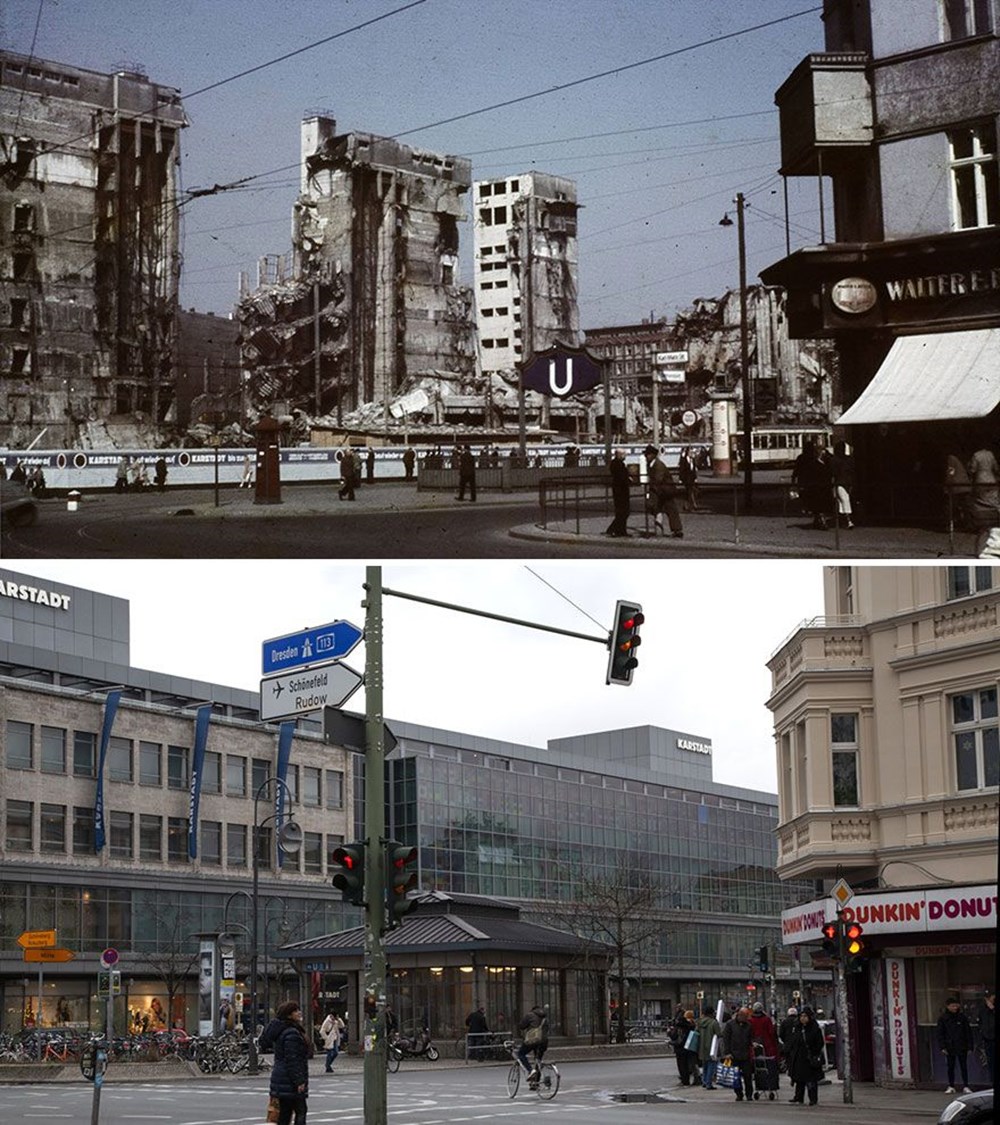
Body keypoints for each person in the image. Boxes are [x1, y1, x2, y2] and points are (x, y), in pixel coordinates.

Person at [260, 1000, 312, 1125]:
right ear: (289, 1015)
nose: (299, 1013)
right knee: (300, 1110)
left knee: (285, 1113)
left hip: (282, 1078)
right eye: (295, 1011)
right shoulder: (291, 1033)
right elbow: (293, 1059)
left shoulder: (282, 1031)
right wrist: (299, 1080)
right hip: (289, 1080)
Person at [642, 444, 683, 538]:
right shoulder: (651, 464)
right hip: (661, 491)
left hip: (666, 491)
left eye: (647, 455)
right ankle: (663, 524)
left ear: (652, 455)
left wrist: (651, 487)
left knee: (671, 509)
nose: (646, 457)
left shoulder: (658, 465)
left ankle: (677, 530)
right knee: (657, 507)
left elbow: (658, 479)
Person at [787, 1006, 825, 1106]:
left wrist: (814, 1052)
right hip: (799, 1057)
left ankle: (813, 1099)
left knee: (811, 1080)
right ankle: (798, 1097)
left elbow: (819, 1042)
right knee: (799, 1079)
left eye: (805, 1016)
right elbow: (793, 1041)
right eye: (801, 1016)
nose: (803, 1018)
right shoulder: (797, 1027)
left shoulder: (814, 1028)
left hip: (810, 1057)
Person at [967, 445, 1000, 556]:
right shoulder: (990, 454)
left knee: (981, 502)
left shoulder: (976, 455)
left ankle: (985, 523)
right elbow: (995, 468)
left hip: (980, 479)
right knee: (993, 501)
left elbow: (972, 469)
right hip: (991, 479)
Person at [936, 996, 973, 1093]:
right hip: (949, 1046)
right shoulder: (943, 1018)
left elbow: (968, 1032)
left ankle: (966, 1085)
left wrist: (970, 1046)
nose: (955, 1008)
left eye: (956, 1006)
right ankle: (951, 1085)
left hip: (962, 1045)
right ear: (947, 1006)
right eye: (952, 1006)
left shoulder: (962, 1017)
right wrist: (942, 1046)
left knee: (963, 1066)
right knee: (950, 1067)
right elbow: (940, 1033)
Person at [720, 1005, 755, 1102]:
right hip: (733, 1055)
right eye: (743, 1016)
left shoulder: (748, 1025)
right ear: (738, 1015)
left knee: (748, 1076)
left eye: (746, 1016)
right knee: (736, 1076)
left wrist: (753, 1044)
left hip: (745, 1054)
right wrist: (727, 1052)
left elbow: (751, 1038)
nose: (745, 1018)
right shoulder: (730, 1025)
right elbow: (726, 1039)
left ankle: (749, 1094)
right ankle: (739, 1094)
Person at [749, 1001, 780, 1096]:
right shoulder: (766, 1020)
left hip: (756, 1048)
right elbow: (771, 1033)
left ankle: (760, 1085)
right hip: (768, 1047)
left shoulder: (750, 1020)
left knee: (759, 1068)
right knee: (769, 1067)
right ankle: (771, 1086)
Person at [517, 1003, 548, 1087]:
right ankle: (535, 1083)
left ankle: (530, 1071)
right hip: (544, 1041)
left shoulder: (530, 1015)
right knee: (537, 1060)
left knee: (521, 1054)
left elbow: (521, 1026)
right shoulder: (544, 1017)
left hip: (533, 1039)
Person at [605, 449, 631, 537]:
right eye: (624, 454)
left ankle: (619, 530)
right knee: (623, 512)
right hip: (621, 491)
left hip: (619, 490)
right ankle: (615, 530)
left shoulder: (616, 464)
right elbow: (622, 477)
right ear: (619, 455)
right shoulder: (618, 464)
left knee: (622, 512)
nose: (625, 456)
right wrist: (628, 480)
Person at [695, 1005, 722, 1089]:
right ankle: (708, 1083)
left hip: (701, 1046)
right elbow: (719, 1034)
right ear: (711, 1013)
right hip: (711, 1047)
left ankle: (704, 1081)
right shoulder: (714, 1022)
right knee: (712, 1064)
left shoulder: (699, 1022)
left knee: (705, 1065)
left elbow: (696, 1032)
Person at [830, 440, 855, 528]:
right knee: (845, 500)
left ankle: (847, 520)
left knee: (842, 501)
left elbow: (833, 472)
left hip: (839, 482)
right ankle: (846, 519)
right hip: (848, 482)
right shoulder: (849, 459)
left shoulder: (834, 460)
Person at [673, 1008, 697, 1086]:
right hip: (689, 1047)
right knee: (688, 1065)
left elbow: (676, 1037)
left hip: (680, 1048)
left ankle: (685, 1080)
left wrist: (670, 1033)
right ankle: (690, 1079)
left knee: (682, 1066)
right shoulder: (692, 1025)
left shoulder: (681, 1027)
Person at [319, 1008, 344, 1073]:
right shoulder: (327, 1021)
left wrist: (339, 1019)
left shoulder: (336, 1021)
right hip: (329, 1039)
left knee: (335, 1053)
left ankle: (328, 1065)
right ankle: (328, 1066)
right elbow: (322, 1031)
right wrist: (326, 1038)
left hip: (335, 1038)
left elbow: (342, 1026)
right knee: (329, 1053)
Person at [778, 1005, 799, 1085]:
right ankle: (796, 1076)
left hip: (788, 1046)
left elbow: (781, 1034)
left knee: (789, 1062)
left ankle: (792, 1075)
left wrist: (785, 1041)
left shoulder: (784, 1022)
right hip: (796, 1046)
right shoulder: (798, 1021)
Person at [978, 989, 995, 1085]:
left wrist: (993, 1009)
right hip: (988, 1039)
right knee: (990, 1062)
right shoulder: (983, 1010)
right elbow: (980, 1022)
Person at [678, 446, 699, 512]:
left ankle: (686, 505)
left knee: (690, 492)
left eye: (692, 452)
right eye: (690, 452)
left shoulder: (692, 460)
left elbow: (693, 470)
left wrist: (695, 478)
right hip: (686, 479)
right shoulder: (684, 460)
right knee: (690, 492)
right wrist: (680, 479)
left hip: (692, 479)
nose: (692, 453)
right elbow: (681, 470)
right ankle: (693, 506)